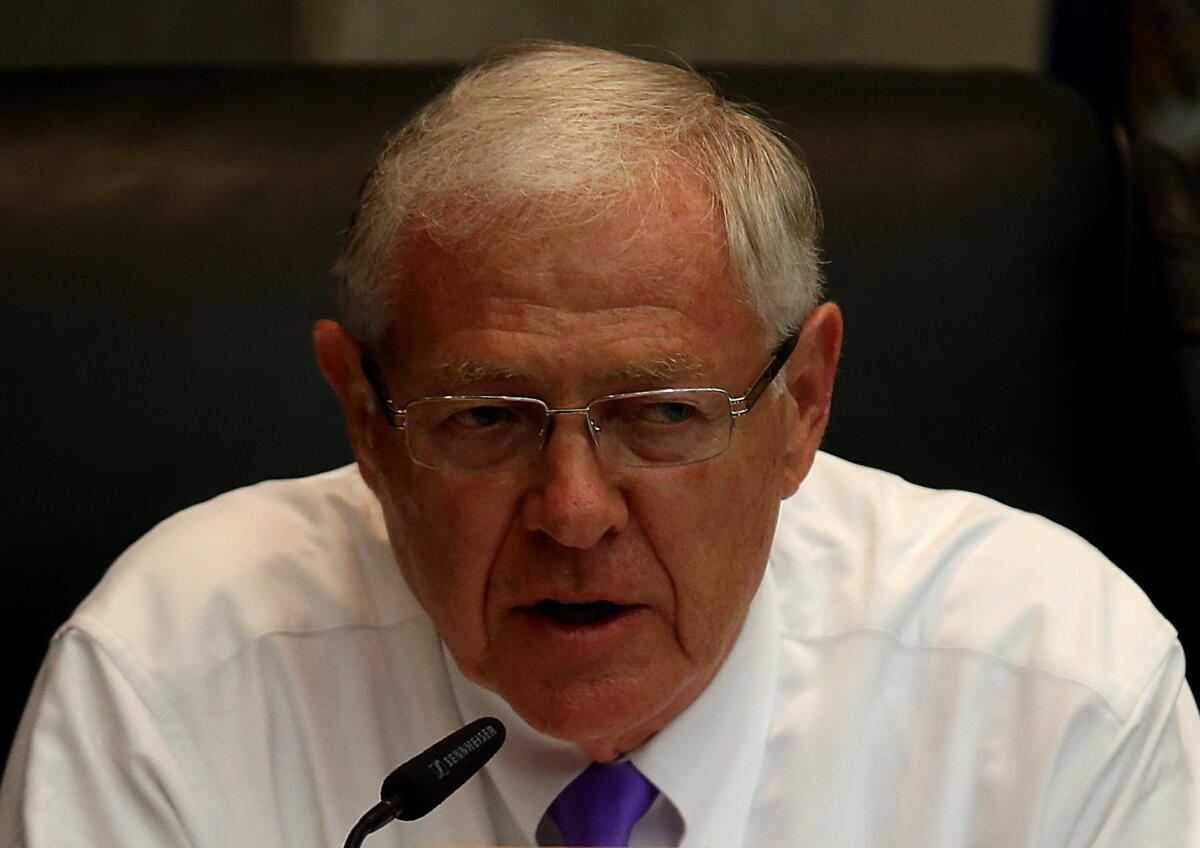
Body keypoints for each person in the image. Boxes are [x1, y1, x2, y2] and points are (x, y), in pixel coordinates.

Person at [2, 40, 1198, 848]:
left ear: (804, 404)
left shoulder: (1055, 689)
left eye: (664, 413)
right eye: (485, 419)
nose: (573, 510)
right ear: (366, 419)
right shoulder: (174, 673)